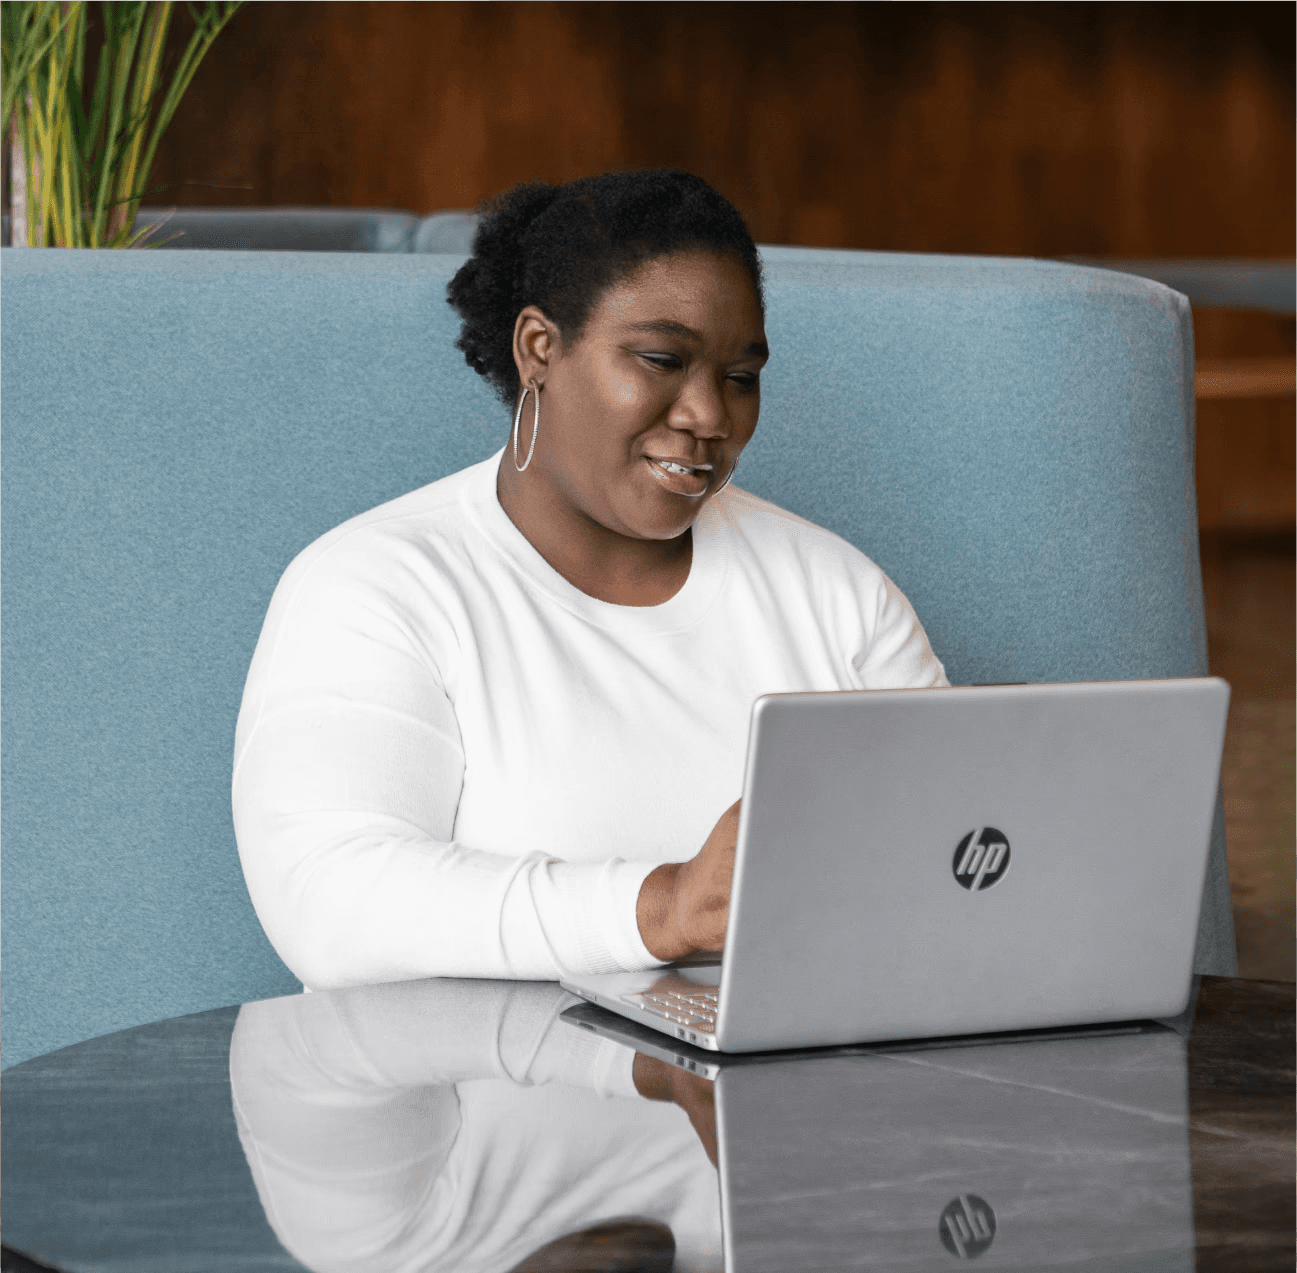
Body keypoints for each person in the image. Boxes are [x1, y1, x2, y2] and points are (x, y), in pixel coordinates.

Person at [232, 169, 948, 993]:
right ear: (539, 347)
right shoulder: (375, 587)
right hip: (483, 1108)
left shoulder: (836, 595)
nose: (709, 416)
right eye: (660, 359)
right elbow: (331, 904)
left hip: (792, 1106)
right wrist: (662, 907)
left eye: (740, 376)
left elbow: (952, 879)